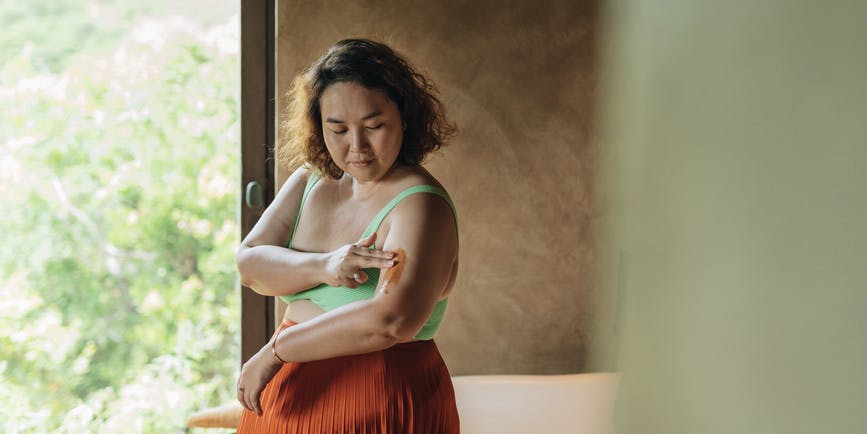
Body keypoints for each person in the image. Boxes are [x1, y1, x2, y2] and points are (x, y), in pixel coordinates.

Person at [234, 38, 460, 433]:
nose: (357, 147)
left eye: (374, 126)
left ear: (404, 117)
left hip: (375, 398)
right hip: (286, 398)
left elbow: (390, 321)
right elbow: (250, 266)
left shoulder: (421, 205)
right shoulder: (310, 180)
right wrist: (325, 266)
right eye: (337, 129)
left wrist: (276, 351)